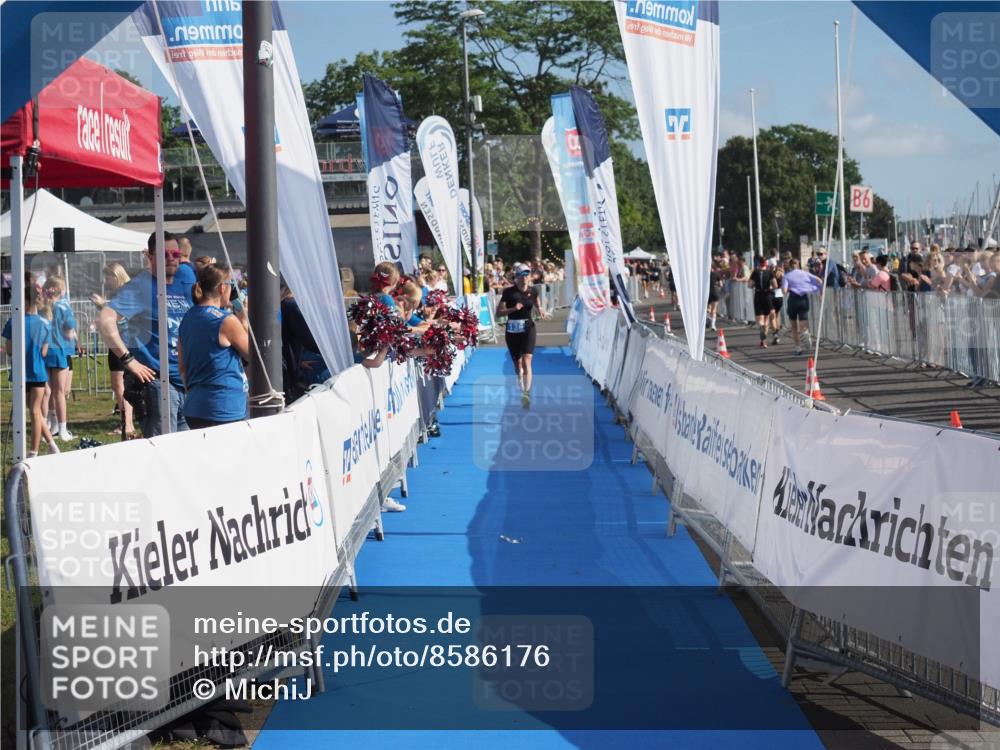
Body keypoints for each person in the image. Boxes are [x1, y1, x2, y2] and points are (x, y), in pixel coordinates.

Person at [99, 231, 194, 437]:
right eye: (164, 254)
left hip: (187, 382)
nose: (171, 259)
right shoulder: (141, 286)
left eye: (175, 254)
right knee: (163, 449)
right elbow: (105, 321)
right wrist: (129, 360)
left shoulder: (185, 278)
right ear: (150, 257)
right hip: (159, 384)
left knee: (187, 449)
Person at [177, 264, 250, 429]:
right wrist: (244, 320)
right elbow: (253, 354)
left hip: (196, 406)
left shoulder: (188, 318)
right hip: (224, 406)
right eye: (232, 286)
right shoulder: (226, 320)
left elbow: (182, 367)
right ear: (222, 288)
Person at [3, 278, 60, 457]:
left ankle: (34, 451)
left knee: (34, 411)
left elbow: (9, 350)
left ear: (25, 301)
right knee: (35, 411)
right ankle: (51, 444)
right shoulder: (45, 324)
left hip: (21, 373)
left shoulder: (13, 322)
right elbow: (44, 352)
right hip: (38, 373)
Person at [91, 263, 137, 438]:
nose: (106, 281)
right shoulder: (119, 293)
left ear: (117, 275)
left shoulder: (126, 293)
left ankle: (127, 424)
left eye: (108, 276)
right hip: (117, 343)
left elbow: (123, 320)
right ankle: (126, 422)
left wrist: (104, 306)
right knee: (118, 385)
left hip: (123, 343)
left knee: (120, 385)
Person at [496, 262, 548, 407]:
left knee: (527, 360)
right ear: (517, 276)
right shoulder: (509, 292)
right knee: (518, 365)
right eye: (522, 274)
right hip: (512, 331)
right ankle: (521, 384)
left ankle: (526, 394)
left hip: (528, 329)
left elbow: (536, 301)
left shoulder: (533, 291)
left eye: (527, 274)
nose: (525, 276)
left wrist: (540, 309)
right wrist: (513, 309)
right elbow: (498, 313)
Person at [40, 276, 78, 440]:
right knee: (60, 392)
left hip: (44, 351)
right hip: (60, 351)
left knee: (46, 392)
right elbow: (70, 332)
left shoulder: (41, 306)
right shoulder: (63, 306)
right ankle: (62, 429)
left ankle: (46, 428)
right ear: (60, 290)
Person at [781, 258, 824, 356]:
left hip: (793, 300)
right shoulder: (805, 273)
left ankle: (798, 347)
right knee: (803, 323)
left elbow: (784, 291)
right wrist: (818, 290)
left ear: (790, 266)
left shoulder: (787, 276)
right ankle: (805, 333)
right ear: (798, 265)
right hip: (803, 299)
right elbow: (819, 280)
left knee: (793, 326)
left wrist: (790, 288)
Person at [747, 256, 776, 347]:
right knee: (766, 318)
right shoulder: (770, 272)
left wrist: (755, 284)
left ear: (759, 263)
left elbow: (749, 285)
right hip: (767, 295)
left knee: (760, 319)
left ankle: (762, 332)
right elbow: (775, 285)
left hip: (758, 295)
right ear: (766, 263)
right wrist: (770, 287)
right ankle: (764, 340)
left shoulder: (755, 272)